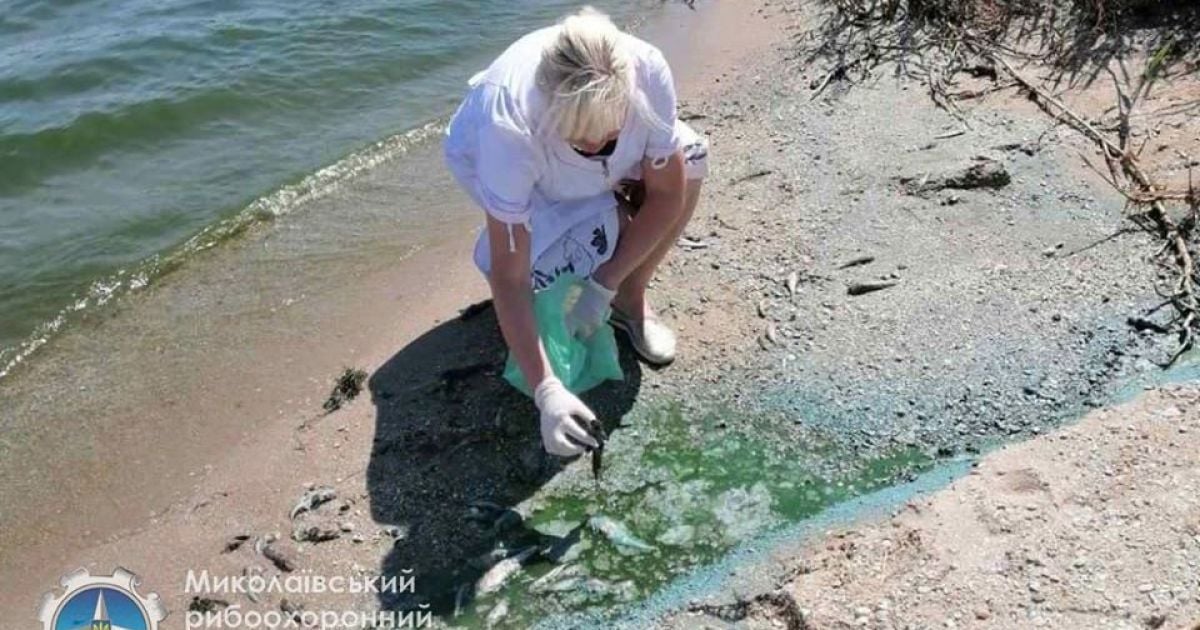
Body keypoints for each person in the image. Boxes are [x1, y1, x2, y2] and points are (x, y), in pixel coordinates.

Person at [444, 7, 708, 457]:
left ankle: (631, 300)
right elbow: (510, 274)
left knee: (693, 158)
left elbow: (667, 194)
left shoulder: (647, 70)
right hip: (527, 168)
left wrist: (607, 284)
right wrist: (546, 390)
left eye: (605, 136)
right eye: (577, 137)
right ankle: (563, 250)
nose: (591, 146)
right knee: (535, 263)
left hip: (583, 157)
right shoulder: (507, 127)